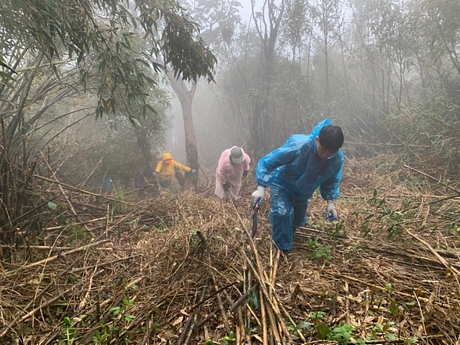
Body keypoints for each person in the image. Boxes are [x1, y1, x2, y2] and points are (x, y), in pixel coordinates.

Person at [251, 119, 344, 252]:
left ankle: (289, 234)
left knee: (298, 220)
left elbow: (332, 179)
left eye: (331, 152)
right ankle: (282, 249)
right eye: (323, 150)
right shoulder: (299, 147)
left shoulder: (336, 158)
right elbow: (268, 162)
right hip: (282, 183)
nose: (326, 155)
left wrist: (330, 202)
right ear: (317, 140)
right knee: (283, 213)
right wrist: (261, 188)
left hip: (303, 191)